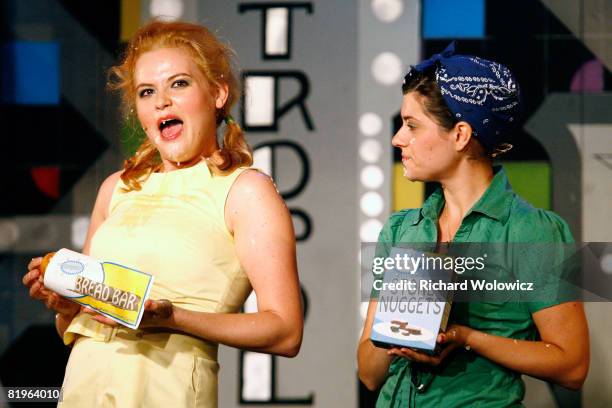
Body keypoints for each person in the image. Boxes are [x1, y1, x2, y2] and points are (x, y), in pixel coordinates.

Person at [22, 20, 303, 408]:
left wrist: (173, 319)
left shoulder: (245, 191)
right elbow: (77, 323)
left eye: (179, 84)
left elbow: (285, 331)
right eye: (146, 91)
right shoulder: (116, 188)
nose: (161, 101)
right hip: (84, 390)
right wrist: (67, 305)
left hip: (167, 392)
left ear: (218, 93)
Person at [357, 42, 589, 407]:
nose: (398, 139)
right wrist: (395, 332)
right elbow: (369, 375)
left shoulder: (531, 231)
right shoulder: (401, 230)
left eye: (412, 125)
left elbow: (573, 366)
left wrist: (466, 337)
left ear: (461, 135)